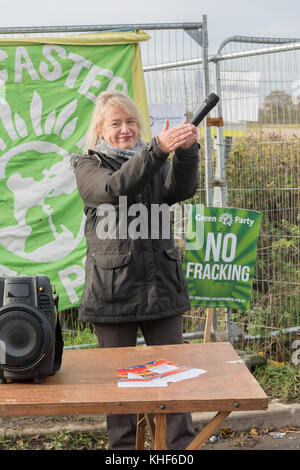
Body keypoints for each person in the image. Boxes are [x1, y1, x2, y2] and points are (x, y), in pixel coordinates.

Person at [72, 90, 199, 450]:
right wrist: (157, 150)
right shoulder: (87, 165)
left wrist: (187, 151)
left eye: (130, 122)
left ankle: (178, 451)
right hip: (112, 293)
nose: (125, 129)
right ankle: (123, 452)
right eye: (116, 123)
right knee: (119, 387)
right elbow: (115, 188)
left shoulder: (151, 157)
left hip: (162, 287)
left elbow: (181, 189)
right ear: (100, 130)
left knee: (172, 381)